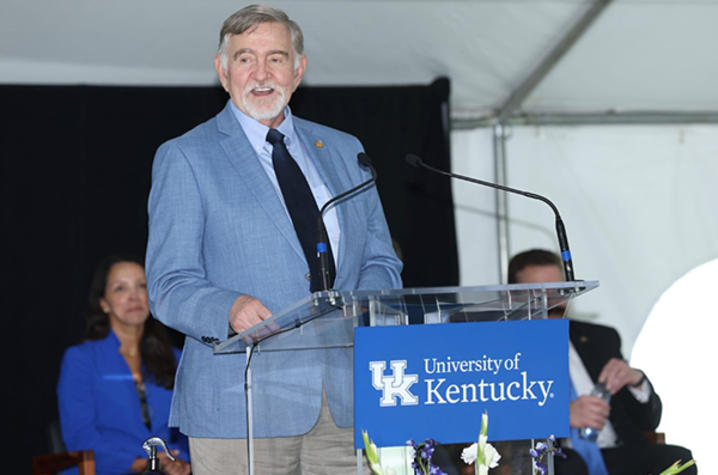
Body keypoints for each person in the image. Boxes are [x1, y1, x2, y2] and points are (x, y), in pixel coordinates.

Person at [145, 4, 402, 474]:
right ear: (223, 72)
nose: (261, 73)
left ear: (299, 69)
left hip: (346, 401)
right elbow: (168, 284)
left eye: (276, 58)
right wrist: (228, 308)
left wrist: (367, 302)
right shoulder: (186, 157)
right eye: (245, 58)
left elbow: (382, 260)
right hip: (240, 404)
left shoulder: (346, 150)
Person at [508, 249, 696, 475]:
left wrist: (636, 382)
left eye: (559, 290)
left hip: (617, 454)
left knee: (678, 460)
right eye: (539, 293)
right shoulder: (503, 350)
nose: (553, 301)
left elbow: (649, 422)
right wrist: (561, 416)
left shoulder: (600, 339)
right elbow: (499, 417)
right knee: (570, 467)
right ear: (513, 297)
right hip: (555, 458)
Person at [57, 254, 191, 475]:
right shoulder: (81, 359)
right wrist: (143, 463)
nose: (134, 297)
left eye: (142, 286)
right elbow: (80, 437)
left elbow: (188, 432)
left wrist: (179, 461)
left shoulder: (177, 359)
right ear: (103, 303)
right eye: (121, 288)